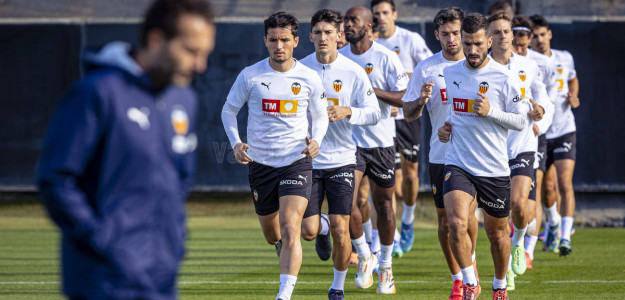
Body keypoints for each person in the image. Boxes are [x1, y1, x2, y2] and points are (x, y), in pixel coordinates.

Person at [36, 0, 216, 299]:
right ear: (156, 40)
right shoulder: (96, 93)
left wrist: (172, 241)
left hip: (161, 278)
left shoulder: (183, 99)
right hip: (104, 281)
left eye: (205, 53)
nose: (200, 65)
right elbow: (55, 180)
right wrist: (104, 241)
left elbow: (179, 181)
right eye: (191, 51)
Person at [221, 12, 329, 300]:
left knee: (292, 226)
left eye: (284, 39)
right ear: (265, 41)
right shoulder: (251, 75)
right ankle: (323, 224)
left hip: (296, 161)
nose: (279, 45)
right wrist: (235, 143)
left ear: (295, 40)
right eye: (273, 40)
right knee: (273, 235)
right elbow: (228, 111)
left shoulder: (308, 77)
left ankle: (284, 295)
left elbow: (320, 116)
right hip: (261, 165)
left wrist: (316, 140)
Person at [437, 12, 527, 300]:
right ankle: (469, 281)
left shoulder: (505, 77)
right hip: (458, 162)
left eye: (477, 43)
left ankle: (500, 286)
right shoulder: (450, 73)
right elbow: (456, 110)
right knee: (456, 223)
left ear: (488, 41)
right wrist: (446, 127)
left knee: (498, 235)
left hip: (493, 167)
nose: (472, 50)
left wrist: (492, 112)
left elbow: (521, 121)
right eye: (467, 43)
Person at [403, 7, 484, 300]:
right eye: (446, 34)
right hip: (440, 155)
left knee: (466, 218)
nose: (452, 40)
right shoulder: (426, 68)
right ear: (436, 35)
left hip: (475, 155)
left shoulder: (479, 66)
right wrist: (421, 101)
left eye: (456, 33)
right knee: (446, 222)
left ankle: (469, 268)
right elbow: (408, 113)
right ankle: (458, 278)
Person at [299, 9, 381, 300]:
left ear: (339, 36)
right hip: (307, 160)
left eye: (328, 32)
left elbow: (374, 113)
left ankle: (337, 288)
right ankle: (319, 228)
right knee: (308, 230)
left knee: (340, 226)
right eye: (318, 33)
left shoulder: (353, 71)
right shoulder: (300, 69)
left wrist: (349, 111)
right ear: (310, 37)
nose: (323, 38)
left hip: (343, 159)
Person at [340, 5, 409, 294]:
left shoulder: (386, 58)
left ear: (369, 27)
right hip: (349, 142)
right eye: (346, 20)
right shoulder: (339, 57)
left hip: (381, 142)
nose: (348, 24)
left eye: (354, 20)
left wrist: (372, 90)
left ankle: (386, 268)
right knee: (346, 204)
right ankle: (365, 255)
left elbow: (406, 97)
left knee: (384, 206)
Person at [488, 11, 554, 291]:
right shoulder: (482, 67)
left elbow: (545, 103)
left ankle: (518, 246)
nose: (504, 36)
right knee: (497, 220)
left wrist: (541, 113)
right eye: (498, 31)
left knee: (518, 204)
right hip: (491, 150)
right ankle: (504, 272)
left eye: (507, 31)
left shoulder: (528, 66)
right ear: (488, 37)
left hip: (524, 144)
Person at [372, 0, 433, 257]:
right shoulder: (368, 44)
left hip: (408, 118)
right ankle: (393, 235)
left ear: (394, 14)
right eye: (376, 14)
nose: (381, 18)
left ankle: (408, 220)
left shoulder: (410, 39)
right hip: (381, 122)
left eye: (385, 13)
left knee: (409, 176)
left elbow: (431, 68)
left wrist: (403, 95)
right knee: (390, 181)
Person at [530, 14, 580, 256]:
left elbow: (573, 79)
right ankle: (553, 222)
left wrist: (574, 95)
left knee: (565, 183)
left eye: (542, 34)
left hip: (565, 129)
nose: (539, 40)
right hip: (541, 132)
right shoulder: (529, 63)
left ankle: (565, 237)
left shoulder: (565, 57)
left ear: (549, 34)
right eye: (534, 36)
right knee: (547, 189)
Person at [511, 14, 558, 269]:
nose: (519, 45)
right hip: (505, 137)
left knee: (534, 190)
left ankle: (527, 249)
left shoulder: (541, 63)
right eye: (514, 38)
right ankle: (516, 236)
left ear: (530, 38)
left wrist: (540, 124)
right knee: (511, 200)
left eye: (522, 39)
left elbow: (547, 102)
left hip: (534, 136)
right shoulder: (501, 62)